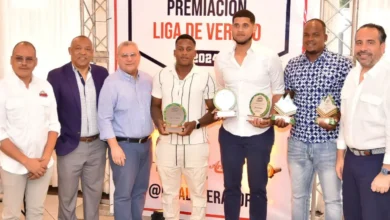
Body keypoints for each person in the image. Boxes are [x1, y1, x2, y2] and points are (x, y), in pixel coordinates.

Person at [214, 10, 285, 220]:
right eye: (237, 25)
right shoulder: (221, 58)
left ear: (254, 28)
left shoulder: (268, 56)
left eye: (246, 25)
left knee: (258, 190)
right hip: (230, 133)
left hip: (260, 134)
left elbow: (278, 92)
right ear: (231, 28)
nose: (241, 29)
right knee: (231, 188)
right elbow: (221, 89)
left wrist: (270, 117)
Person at [283, 19, 352, 220]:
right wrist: (281, 116)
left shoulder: (342, 64)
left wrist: (337, 117)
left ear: (325, 37)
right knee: (298, 197)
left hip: (329, 145)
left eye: (315, 34)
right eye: (306, 35)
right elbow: (289, 98)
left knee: (332, 199)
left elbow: (349, 103)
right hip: (298, 143)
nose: (310, 39)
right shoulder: (293, 65)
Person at [151, 34, 216, 220]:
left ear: (195, 53)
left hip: (196, 144)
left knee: (198, 195)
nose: (184, 52)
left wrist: (195, 124)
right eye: (181, 48)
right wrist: (158, 123)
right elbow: (155, 105)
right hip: (167, 144)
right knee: (169, 194)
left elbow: (214, 110)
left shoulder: (205, 76)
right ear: (174, 52)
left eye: (189, 49)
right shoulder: (162, 75)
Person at [47, 35, 109, 220]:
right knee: (67, 197)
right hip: (69, 145)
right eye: (78, 48)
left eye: (87, 49)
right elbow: (51, 112)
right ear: (70, 51)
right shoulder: (56, 75)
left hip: (97, 145)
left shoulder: (101, 73)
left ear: (92, 52)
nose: (83, 52)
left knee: (93, 195)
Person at [0, 41, 60, 219]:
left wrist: (45, 158)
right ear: (11, 60)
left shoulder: (45, 87)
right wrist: (27, 162)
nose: (24, 63)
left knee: (36, 212)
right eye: (19, 59)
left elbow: (54, 125)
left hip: (42, 165)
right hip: (13, 165)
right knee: (11, 214)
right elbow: (0, 134)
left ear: (36, 62)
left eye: (29, 59)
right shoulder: (2, 89)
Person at [336, 23, 390, 220]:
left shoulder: (387, 77)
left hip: (377, 163)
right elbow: (345, 118)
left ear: (382, 47)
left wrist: (387, 172)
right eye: (359, 43)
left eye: (370, 42)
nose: (363, 48)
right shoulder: (352, 75)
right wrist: (341, 156)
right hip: (351, 161)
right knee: (351, 215)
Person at [98, 41, 154, 220]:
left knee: (139, 192)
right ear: (118, 58)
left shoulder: (147, 79)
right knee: (123, 195)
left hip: (146, 144)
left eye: (133, 55)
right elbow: (104, 118)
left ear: (139, 57)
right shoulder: (111, 83)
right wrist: (114, 147)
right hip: (124, 147)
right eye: (125, 55)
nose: (129, 59)